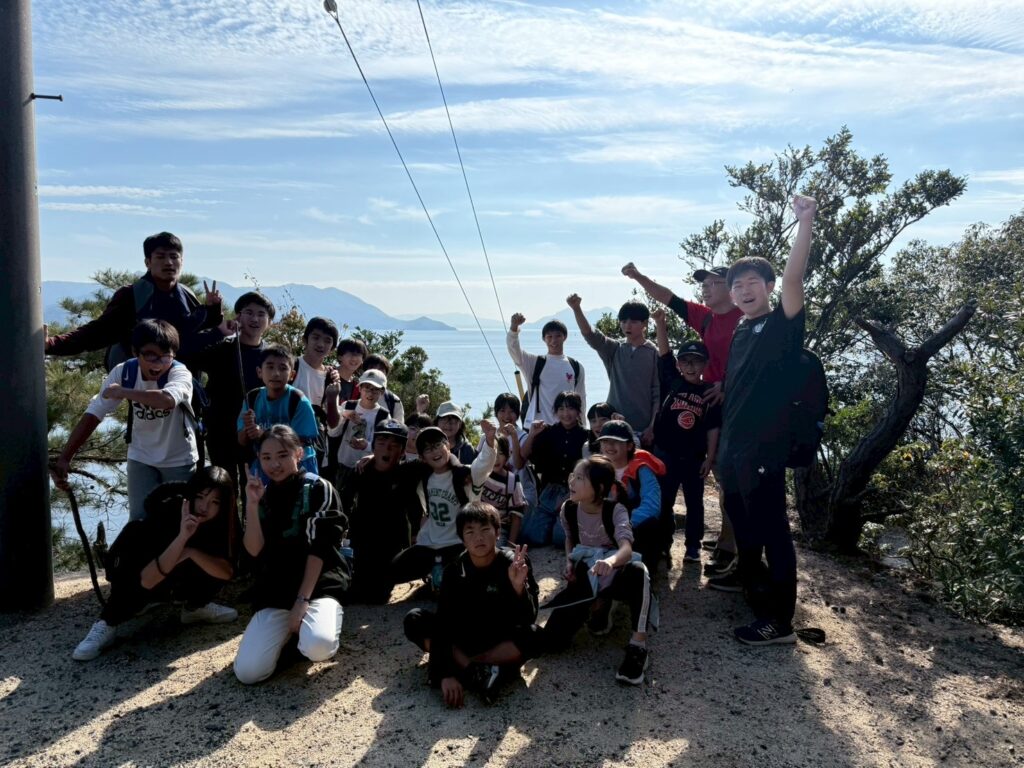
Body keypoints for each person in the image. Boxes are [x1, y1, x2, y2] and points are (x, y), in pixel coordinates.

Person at [713, 194, 817, 646]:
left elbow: (795, 277)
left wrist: (805, 222)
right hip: (734, 449)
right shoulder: (741, 329)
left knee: (773, 531)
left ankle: (779, 621)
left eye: (753, 282)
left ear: (770, 286)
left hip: (763, 449)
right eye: (736, 286)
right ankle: (754, 592)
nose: (743, 290)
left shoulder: (782, 324)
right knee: (744, 525)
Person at [622, 260, 743, 570]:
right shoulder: (706, 317)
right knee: (721, 476)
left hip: (737, 405)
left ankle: (732, 548)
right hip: (710, 402)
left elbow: (759, 364)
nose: (705, 288)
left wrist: (727, 384)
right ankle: (726, 542)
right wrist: (639, 276)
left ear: (730, 288)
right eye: (703, 284)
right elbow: (669, 298)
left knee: (730, 479)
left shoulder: (745, 317)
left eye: (712, 283)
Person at [72, 467, 238, 661]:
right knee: (132, 588)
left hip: (174, 571)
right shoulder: (168, 514)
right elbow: (148, 579)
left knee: (211, 564)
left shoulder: (219, 524)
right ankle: (107, 623)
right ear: (192, 494)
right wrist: (182, 538)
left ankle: (195, 608)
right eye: (200, 497)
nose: (204, 507)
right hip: (140, 573)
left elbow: (226, 572)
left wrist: (190, 552)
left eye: (214, 502)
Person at [233, 426, 350, 684]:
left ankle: (309, 630)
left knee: (318, 646)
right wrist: (251, 505)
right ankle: (292, 637)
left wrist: (302, 600)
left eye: (283, 455)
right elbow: (253, 551)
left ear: (299, 454)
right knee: (248, 672)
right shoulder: (263, 495)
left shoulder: (318, 487)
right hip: (277, 591)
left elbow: (321, 546)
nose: (275, 464)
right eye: (266, 457)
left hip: (317, 587)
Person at [51, 319, 198, 522]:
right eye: (150, 355)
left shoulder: (179, 373)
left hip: (179, 459)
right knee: (139, 522)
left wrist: (123, 392)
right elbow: (94, 413)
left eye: (165, 356)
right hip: (141, 457)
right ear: (135, 352)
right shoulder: (125, 372)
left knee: (178, 521)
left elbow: (166, 400)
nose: (158, 363)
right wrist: (65, 457)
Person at [403, 502, 541, 707]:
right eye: (470, 532)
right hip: (465, 636)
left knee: (535, 635)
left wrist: (518, 588)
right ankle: (483, 672)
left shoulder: (514, 563)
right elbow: (443, 622)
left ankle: (473, 667)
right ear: (462, 538)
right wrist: (446, 674)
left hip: (499, 637)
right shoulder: (454, 570)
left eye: (485, 530)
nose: (479, 538)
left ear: (497, 533)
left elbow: (528, 617)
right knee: (414, 619)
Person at [542, 456, 652, 685]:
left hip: (615, 571)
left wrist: (610, 562)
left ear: (599, 488)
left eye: (580, 478)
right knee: (551, 641)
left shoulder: (615, 510)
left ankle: (638, 645)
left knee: (639, 571)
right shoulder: (569, 509)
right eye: (572, 476)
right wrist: (569, 564)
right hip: (588, 573)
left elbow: (626, 549)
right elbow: (570, 539)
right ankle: (600, 606)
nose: (571, 481)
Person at [44, 232, 223, 371]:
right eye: (160, 256)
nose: (169, 262)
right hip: (143, 381)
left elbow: (195, 327)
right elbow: (97, 332)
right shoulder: (132, 295)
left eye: (174, 256)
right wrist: (52, 344)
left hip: (182, 377)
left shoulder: (185, 293)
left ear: (182, 261)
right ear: (148, 262)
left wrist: (213, 309)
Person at [390, 420, 497, 589]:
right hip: (428, 544)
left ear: (447, 445)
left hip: (458, 545)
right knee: (393, 571)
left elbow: (483, 465)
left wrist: (490, 441)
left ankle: (440, 580)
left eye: (438, 445)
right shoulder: (423, 477)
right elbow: (397, 468)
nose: (434, 451)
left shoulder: (465, 475)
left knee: (452, 586)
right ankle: (432, 574)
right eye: (428, 449)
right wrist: (370, 457)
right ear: (422, 457)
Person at [651, 309, 721, 563]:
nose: (691, 366)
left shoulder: (710, 392)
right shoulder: (672, 381)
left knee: (695, 503)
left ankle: (693, 546)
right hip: (665, 453)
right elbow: (664, 354)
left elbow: (713, 427)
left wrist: (710, 458)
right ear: (679, 365)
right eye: (686, 361)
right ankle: (662, 543)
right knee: (665, 501)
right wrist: (660, 323)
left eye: (696, 361)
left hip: (694, 457)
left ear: (705, 364)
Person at [195, 291, 275, 488]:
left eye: (261, 314)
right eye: (249, 312)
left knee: (255, 487)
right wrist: (217, 327)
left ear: (270, 322)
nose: (255, 319)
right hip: (220, 432)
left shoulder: (272, 357)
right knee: (225, 488)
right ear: (238, 316)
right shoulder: (221, 348)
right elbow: (190, 352)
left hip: (255, 433)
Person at [568, 295, 659, 447]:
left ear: (645, 323)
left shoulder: (654, 353)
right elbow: (591, 336)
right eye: (623, 321)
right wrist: (576, 309)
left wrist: (652, 427)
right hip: (613, 426)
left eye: (633, 321)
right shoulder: (615, 349)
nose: (627, 326)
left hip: (643, 431)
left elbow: (657, 394)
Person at [346, 420, 421, 604]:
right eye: (381, 443)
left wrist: (416, 534)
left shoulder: (408, 473)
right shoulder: (360, 470)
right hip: (361, 542)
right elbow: (345, 504)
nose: (387, 449)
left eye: (394, 445)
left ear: (402, 451)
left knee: (377, 597)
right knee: (353, 594)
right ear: (373, 446)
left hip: (391, 545)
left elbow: (439, 460)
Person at [238, 345, 320, 481]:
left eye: (283, 368)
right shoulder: (252, 398)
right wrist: (248, 428)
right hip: (266, 462)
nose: (276, 373)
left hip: (298, 463)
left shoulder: (298, 400)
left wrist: (263, 435)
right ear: (259, 372)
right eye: (270, 367)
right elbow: (241, 440)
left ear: (292, 375)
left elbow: (302, 441)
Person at [519, 391, 588, 547]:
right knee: (533, 537)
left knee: (559, 539)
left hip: (573, 493)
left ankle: (561, 523)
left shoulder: (586, 436)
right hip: (549, 491)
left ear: (578, 411)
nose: (566, 413)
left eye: (570, 408)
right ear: (556, 411)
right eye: (561, 409)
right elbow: (524, 455)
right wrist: (532, 434)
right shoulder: (548, 432)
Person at [595, 420, 665, 571]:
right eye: (605, 441)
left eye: (616, 442)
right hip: (608, 526)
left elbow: (652, 506)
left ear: (629, 446)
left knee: (651, 526)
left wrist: (623, 525)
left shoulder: (642, 469)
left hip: (634, 526)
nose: (609, 446)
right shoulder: (597, 469)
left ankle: (644, 572)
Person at [506, 313, 586, 424]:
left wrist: (583, 425)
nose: (554, 340)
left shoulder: (576, 366)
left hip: (566, 426)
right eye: (549, 337)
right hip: (539, 427)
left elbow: (581, 398)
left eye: (558, 336)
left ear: (565, 337)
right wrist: (514, 328)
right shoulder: (535, 363)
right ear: (544, 339)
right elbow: (514, 350)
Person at [328, 369, 392, 505]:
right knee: (339, 504)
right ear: (360, 388)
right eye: (367, 388)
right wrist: (344, 417)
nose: (370, 393)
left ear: (382, 392)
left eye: (375, 390)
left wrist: (367, 446)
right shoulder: (348, 405)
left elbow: (386, 446)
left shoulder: (384, 415)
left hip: (367, 468)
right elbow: (333, 433)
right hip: (343, 465)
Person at [291, 317, 342, 467]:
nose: (321, 344)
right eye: (316, 337)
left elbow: (333, 423)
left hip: (312, 449)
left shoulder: (330, 377)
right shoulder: (291, 367)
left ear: (332, 348)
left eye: (327, 340)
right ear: (305, 340)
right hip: (284, 442)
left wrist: (332, 398)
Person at [479, 436, 527, 547]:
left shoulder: (512, 481)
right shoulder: (477, 474)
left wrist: (510, 546)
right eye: (492, 453)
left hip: (498, 528)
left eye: (500, 453)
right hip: (476, 524)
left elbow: (516, 516)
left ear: (507, 455)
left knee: (494, 549)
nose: (496, 458)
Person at [362, 354, 405, 423]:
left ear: (386, 374)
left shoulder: (393, 400)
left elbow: (399, 426)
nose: (376, 372)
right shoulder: (355, 392)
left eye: (381, 369)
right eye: (372, 368)